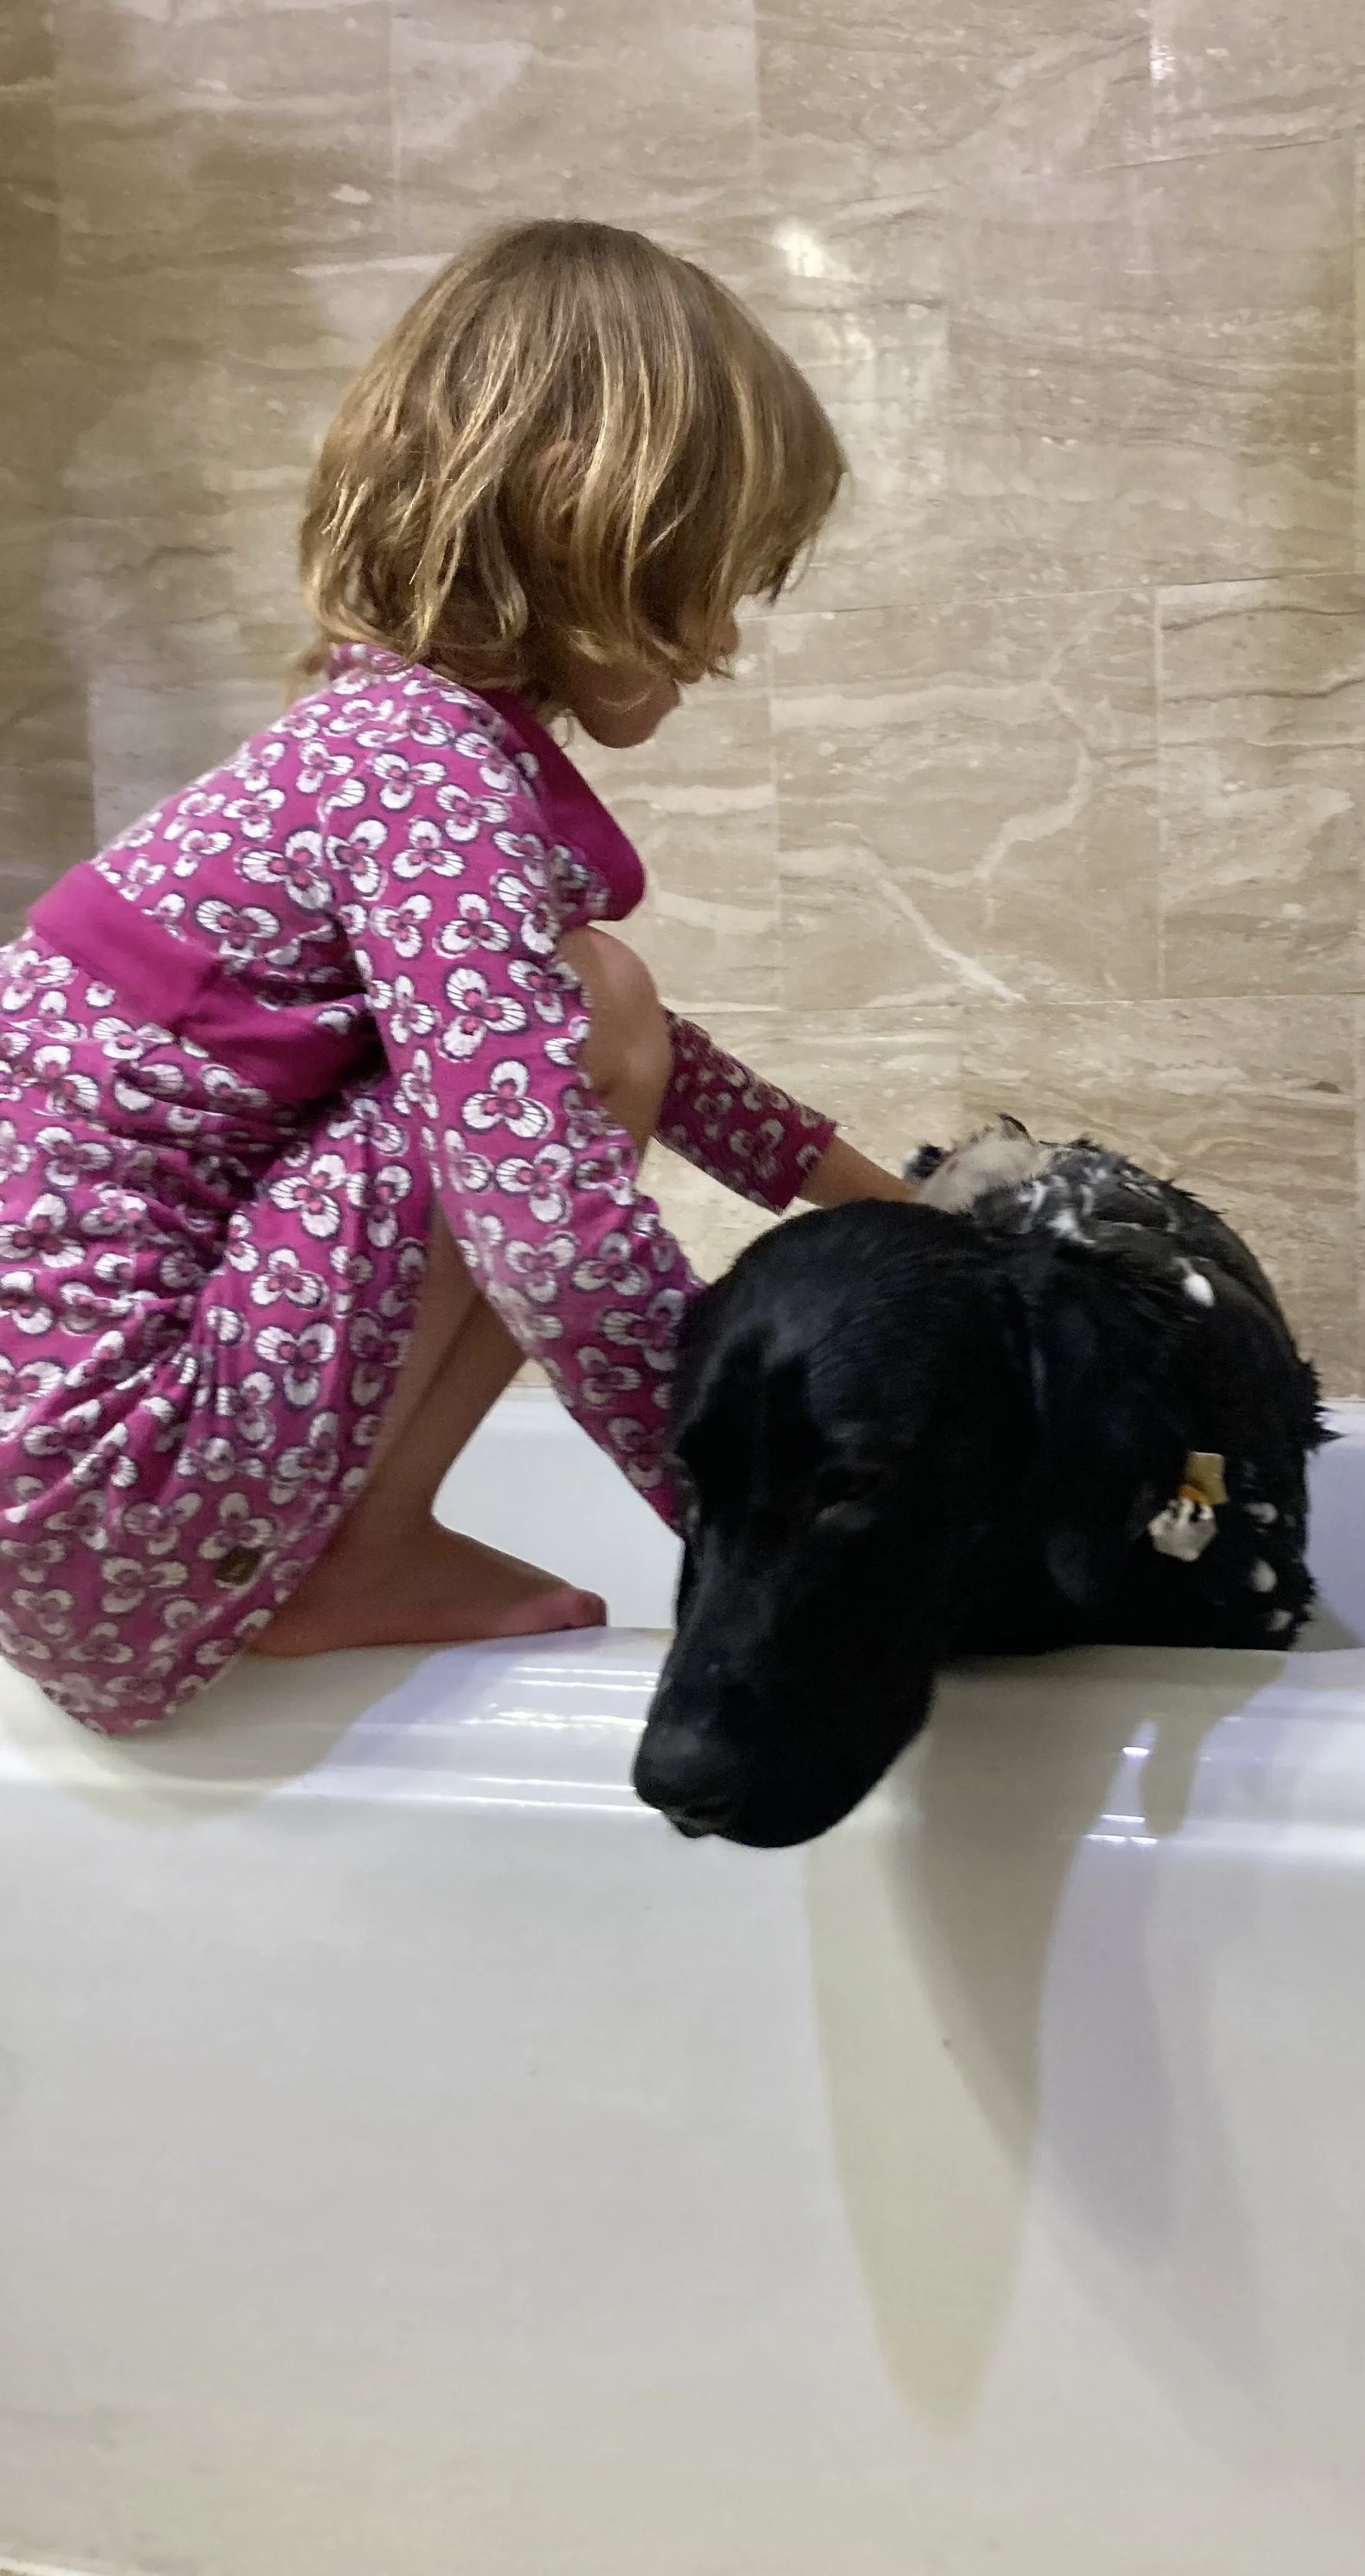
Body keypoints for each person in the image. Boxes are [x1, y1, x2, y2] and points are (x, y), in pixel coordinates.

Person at [0, 218, 911, 1734]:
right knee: (581, 1022)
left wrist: (896, 1205)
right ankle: (347, 1555)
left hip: (67, 1505)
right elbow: (549, 1226)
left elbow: (638, 1059)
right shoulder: (424, 769)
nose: (723, 636)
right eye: (719, 571)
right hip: (117, 1501)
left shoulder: (383, 747)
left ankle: (347, 1540)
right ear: (580, 507)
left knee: (579, 1011)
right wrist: (770, 1538)